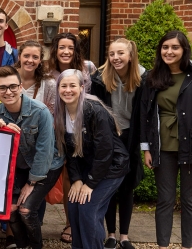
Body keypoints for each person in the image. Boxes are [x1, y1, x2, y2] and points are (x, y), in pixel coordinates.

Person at [139, 31, 192, 249]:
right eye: (165, 47)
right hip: (162, 147)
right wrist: (146, 148)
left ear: (184, 49)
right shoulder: (152, 77)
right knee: (164, 200)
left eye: (175, 47)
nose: (169, 51)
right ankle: (162, 246)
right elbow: (145, 114)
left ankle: (187, 246)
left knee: (190, 201)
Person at [55, 69, 129, 249]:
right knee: (73, 205)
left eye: (72, 85)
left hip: (112, 167)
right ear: (58, 89)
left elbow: (105, 152)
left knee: (88, 209)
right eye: (63, 86)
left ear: (81, 88)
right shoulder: (61, 113)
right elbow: (70, 152)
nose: (68, 90)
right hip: (89, 169)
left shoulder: (94, 110)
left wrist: (90, 183)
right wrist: (77, 180)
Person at [0, 66, 63, 249]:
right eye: (2, 88)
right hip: (19, 167)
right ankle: (22, 245)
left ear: (21, 87)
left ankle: (36, 246)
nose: (8, 92)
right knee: (12, 210)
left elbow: (45, 151)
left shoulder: (40, 112)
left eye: (13, 86)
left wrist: (31, 183)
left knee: (26, 210)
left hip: (47, 166)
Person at [90, 39, 145, 249]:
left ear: (130, 55)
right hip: (110, 135)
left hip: (130, 137)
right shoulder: (100, 79)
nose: (116, 58)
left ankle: (125, 236)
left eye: (120, 53)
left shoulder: (143, 78)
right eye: (112, 54)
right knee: (109, 185)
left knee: (127, 187)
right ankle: (111, 234)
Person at [49, 32, 96, 244]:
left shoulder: (88, 70)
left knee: (75, 173)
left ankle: (76, 221)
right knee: (59, 173)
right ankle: (64, 221)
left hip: (80, 129)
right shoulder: (46, 71)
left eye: (70, 47)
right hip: (54, 128)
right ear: (55, 50)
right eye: (61, 47)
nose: (66, 51)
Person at [14, 40, 56, 114]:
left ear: (40, 60)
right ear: (19, 57)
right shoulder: (7, 78)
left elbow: (51, 113)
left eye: (35, 57)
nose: (30, 60)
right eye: (26, 56)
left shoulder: (49, 83)